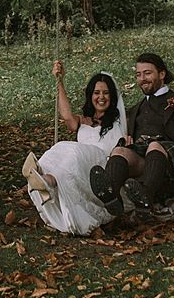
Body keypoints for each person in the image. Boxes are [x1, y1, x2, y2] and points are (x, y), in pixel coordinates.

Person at [89, 52, 174, 216]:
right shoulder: (135, 110)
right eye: (138, 74)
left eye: (147, 73)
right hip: (148, 166)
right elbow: (102, 117)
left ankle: (146, 195)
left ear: (162, 74)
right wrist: (86, 120)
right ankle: (112, 196)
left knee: (155, 145)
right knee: (120, 151)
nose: (142, 78)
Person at [21, 61, 128, 236]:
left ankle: (47, 180)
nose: (101, 97)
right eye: (97, 93)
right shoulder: (82, 121)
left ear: (112, 97)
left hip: (101, 170)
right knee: (62, 149)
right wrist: (59, 80)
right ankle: (45, 176)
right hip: (78, 167)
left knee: (73, 151)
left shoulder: (120, 123)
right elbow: (65, 115)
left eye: (106, 93)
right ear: (90, 96)